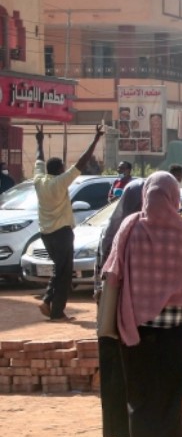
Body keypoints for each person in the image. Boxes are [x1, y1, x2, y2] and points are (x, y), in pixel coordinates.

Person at [102, 171, 182, 437]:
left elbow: (112, 271)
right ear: (174, 196)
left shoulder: (130, 227)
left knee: (140, 401)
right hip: (171, 333)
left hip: (134, 330)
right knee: (167, 402)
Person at [34, 124, 104, 322]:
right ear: (60, 170)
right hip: (62, 233)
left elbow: (39, 158)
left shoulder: (39, 180)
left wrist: (39, 141)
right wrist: (96, 138)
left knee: (59, 268)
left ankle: (48, 301)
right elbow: (81, 163)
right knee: (64, 273)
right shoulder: (60, 182)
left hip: (46, 233)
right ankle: (57, 312)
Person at [95, 179, 144, 437]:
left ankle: (123, 432)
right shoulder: (136, 229)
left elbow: (98, 278)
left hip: (111, 312)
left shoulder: (111, 228)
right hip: (129, 313)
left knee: (118, 373)